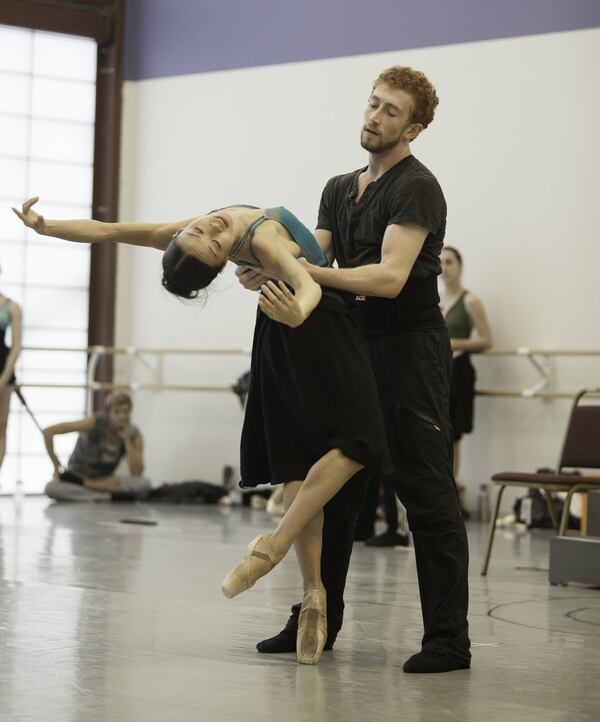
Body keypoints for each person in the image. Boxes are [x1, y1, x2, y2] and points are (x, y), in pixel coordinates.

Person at [13, 199, 387, 665]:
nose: (212, 231)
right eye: (213, 245)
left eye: (202, 233)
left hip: (278, 331)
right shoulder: (261, 238)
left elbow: (109, 231)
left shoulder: (188, 229)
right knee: (363, 443)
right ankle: (273, 547)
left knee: (300, 458)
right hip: (314, 323)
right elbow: (307, 283)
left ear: (179, 234)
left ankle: (314, 595)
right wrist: (297, 312)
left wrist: (46, 227)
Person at [237, 65, 471, 673]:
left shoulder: (417, 187)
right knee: (334, 491)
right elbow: (310, 253)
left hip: (410, 349)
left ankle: (448, 639)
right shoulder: (340, 187)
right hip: (351, 347)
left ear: (413, 127)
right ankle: (318, 617)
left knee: (425, 492)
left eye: (391, 112)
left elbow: (390, 278)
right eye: (373, 105)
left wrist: (310, 274)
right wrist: (263, 262)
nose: (374, 117)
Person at [439, 246, 492, 479]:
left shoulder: (470, 301)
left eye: (449, 262)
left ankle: (452, 492)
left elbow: (486, 339)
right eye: (440, 262)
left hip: (458, 371)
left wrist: (455, 343)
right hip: (436, 371)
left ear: (460, 266)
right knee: (435, 434)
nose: (444, 268)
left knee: (453, 436)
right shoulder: (434, 301)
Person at [42, 391, 151, 502]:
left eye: (126, 411)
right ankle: (110, 497)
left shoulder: (134, 434)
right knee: (51, 488)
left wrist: (127, 440)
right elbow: (48, 432)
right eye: (117, 412)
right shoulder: (93, 423)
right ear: (108, 413)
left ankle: (92, 493)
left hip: (102, 481)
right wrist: (55, 465)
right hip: (77, 476)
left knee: (143, 484)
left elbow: (137, 472)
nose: (122, 416)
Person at [0, 272, 22, 474]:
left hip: (2, 367)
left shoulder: (12, 306)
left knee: (1, 425)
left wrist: (5, 377)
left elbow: (16, 347)